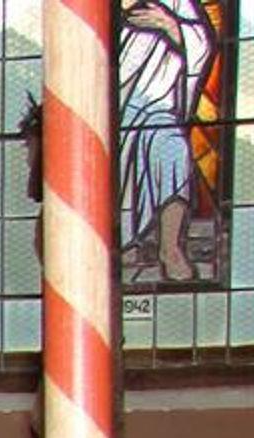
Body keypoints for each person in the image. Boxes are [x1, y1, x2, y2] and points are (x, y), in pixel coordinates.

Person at [117, 0, 216, 282]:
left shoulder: (176, 2)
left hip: (158, 105)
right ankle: (122, 242)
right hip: (113, 108)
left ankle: (170, 249)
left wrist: (169, 24)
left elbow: (202, 45)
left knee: (173, 146)